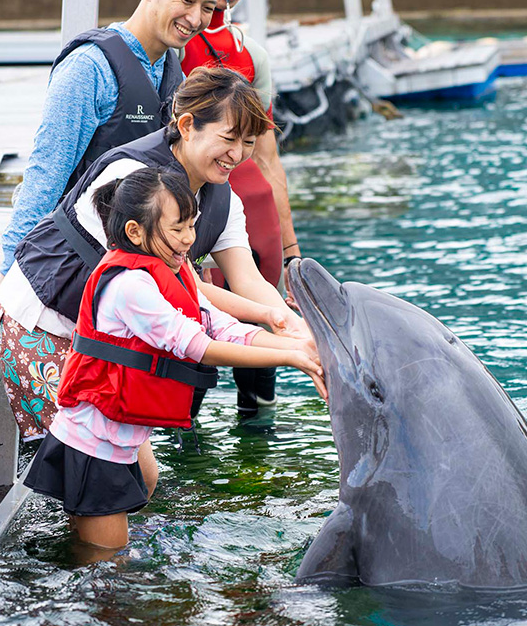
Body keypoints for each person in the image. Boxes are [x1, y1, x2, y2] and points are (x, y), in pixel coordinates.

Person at [0, 67, 310, 441]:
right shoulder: (135, 180)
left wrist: (295, 327)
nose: (237, 154)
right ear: (187, 125)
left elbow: (248, 280)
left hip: (97, 341)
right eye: (229, 138)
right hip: (42, 321)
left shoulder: (223, 198)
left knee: (124, 462)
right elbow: (188, 290)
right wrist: (282, 334)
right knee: (88, 458)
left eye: (248, 142)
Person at [22, 168, 325, 552]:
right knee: (107, 566)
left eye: (192, 226)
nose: (189, 239)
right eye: (177, 229)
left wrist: (296, 342)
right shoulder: (130, 286)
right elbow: (197, 346)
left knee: (138, 500)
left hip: (121, 440)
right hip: (92, 448)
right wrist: (291, 359)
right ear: (135, 232)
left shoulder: (172, 272)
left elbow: (220, 326)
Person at [0, 0, 224, 291]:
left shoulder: (172, 72)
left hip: (135, 270)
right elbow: (46, 172)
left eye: (207, 8)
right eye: (187, 1)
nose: (195, 19)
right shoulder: (89, 68)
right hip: (73, 267)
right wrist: (10, 269)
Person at [181, 0, 302, 417]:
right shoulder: (173, 41)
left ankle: (258, 444)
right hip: (192, 209)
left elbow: (269, 160)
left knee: (265, 338)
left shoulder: (253, 55)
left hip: (253, 213)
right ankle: (187, 443)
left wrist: (291, 251)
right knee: (193, 337)